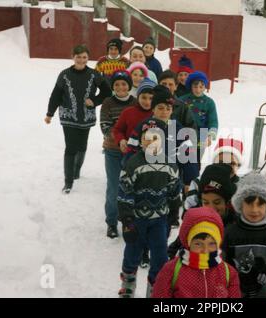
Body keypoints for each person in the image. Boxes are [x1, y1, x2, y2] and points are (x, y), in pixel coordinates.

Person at [117, 118, 182, 298]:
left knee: (160, 254)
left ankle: (156, 288)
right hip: (137, 218)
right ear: (141, 140)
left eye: (156, 138)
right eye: (147, 137)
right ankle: (128, 284)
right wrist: (127, 219)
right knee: (132, 252)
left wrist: (174, 213)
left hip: (159, 219)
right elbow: (124, 191)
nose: (151, 141)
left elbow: (174, 191)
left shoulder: (170, 165)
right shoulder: (133, 163)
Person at [45, 44, 112, 193]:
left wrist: (94, 101)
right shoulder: (64, 74)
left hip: (86, 117)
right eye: (78, 57)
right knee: (70, 147)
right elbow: (55, 94)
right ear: (72, 57)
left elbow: (107, 92)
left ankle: (76, 171)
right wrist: (50, 113)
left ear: (88, 58)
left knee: (82, 146)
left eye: (84, 57)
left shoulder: (95, 74)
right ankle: (68, 182)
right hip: (68, 116)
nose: (81, 60)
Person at [223, 172, 266, 298]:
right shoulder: (229, 234)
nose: (254, 209)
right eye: (249, 203)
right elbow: (221, 270)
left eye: (260, 204)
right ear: (240, 203)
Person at [152, 206, 241, 298]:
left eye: (211, 244)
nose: (205, 250)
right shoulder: (171, 270)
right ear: (188, 243)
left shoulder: (228, 273)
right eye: (198, 244)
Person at [168, 163, 237, 259]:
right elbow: (174, 250)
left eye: (217, 202)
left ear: (227, 202)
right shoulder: (195, 221)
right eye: (206, 202)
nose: (211, 208)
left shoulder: (235, 225)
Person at [100, 70, 135, 238]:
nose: (120, 87)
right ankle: (112, 222)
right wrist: (119, 140)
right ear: (113, 86)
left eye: (123, 84)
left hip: (132, 153)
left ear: (129, 86)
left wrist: (130, 142)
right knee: (114, 187)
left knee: (131, 188)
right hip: (113, 151)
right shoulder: (108, 102)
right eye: (116, 84)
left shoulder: (135, 102)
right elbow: (105, 126)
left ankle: (129, 222)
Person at [184, 137, 243, 211]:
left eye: (231, 163)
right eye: (221, 162)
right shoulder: (198, 182)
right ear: (213, 163)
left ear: (238, 166)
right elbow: (189, 210)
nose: (226, 167)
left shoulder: (242, 186)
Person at [179, 71, 218, 166]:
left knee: (197, 158)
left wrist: (210, 135)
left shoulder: (209, 102)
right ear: (190, 86)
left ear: (205, 86)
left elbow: (213, 120)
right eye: (195, 86)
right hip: (185, 132)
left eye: (201, 86)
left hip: (203, 134)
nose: (198, 89)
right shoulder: (182, 100)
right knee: (183, 156)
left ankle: (195, 174)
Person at [112, 78, 156, 157]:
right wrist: (121, 140)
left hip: (153, 155)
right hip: (131, 155)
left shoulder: (159, 113)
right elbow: (117, 130)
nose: (147, 102)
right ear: (138, 97)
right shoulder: (128, 112)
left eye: (151, 98)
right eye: (144, 97)